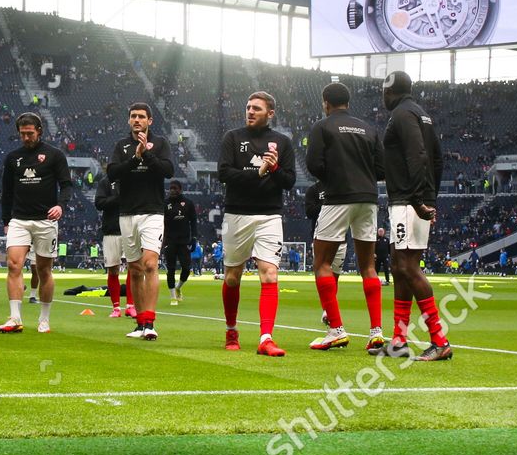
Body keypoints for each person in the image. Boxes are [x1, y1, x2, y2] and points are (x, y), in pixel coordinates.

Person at [305, 82, 386, 352]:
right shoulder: (369, 129)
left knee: (322, 263)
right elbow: (381, 169)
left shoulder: (322, 126)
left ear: (325, 102)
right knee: (368, 267)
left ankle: (336, 330)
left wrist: (337, 175)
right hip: (368, 199)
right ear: (348, 102)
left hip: (338, 197)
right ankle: (376, 332)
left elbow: (314, 165)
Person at [375, 71, 449, 361]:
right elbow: (437, 159)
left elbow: (418, 155)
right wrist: (431, 196)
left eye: (383, 91)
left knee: (407, 266)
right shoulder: (421, 114)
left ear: (389, 91)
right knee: (398, 266)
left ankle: (439, 340)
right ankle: (399, 340)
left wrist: (419, 199)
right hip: (413, 198)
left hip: (408, 200)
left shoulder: (403, 114)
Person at [217, 91, 297, 356]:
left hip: (269, 215)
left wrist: (272, 170)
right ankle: (231, 330)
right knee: (231, 278)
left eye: (257, 109)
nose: (250, 112)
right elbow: (224, 174)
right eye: (248, 107)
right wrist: (259, 174)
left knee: (270, 274)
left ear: (270, 113)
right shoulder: (233, 137)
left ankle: (266, 338)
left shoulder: (282, 143)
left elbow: (289, 181)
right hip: (236, 214)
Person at [0, 113, 72, 334]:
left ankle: (44, 318)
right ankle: (14, 317)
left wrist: (61, 205)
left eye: (30, 133)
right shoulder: (13, 158)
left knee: (43, 270)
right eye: (22, 134)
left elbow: (66, 184)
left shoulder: (54, 155)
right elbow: (7, 192)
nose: (26, 138)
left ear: (40, 130)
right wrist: (6, 220)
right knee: (13, 265)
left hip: (46, 221)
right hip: (19, 220)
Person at [108, 103, 175, 341]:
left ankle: (150, 321)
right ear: (129, 120)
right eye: (133, 116)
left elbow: (168, 170)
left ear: (150, 121)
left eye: (141, 117)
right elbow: (112, 173)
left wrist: (146, 153)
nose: (137, 120)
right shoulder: (121, 146)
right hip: (127, 213)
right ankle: (139, 324)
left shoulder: (160, 143)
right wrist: (135, 159)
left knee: (150, 264)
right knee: (135, 269)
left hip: (152, 212)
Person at [94, 172, 128, 317]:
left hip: (129, 230)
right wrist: (118, 199)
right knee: (113, 269)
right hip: (111, 231)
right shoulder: (105, 182)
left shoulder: (131, 179)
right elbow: (99, 203)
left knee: (134, 268)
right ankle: (116, 308)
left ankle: (131, 306)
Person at [164, 180, 198, 306]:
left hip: (184, 241)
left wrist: (194, 238)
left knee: (186, 268)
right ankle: (173, 297)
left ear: (180, 189)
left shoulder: (188, 203)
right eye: (171, 188)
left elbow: (193, 221)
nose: (172, 190)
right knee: (171, 269)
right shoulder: (165, 203)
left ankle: (178, 287)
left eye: (175, 188)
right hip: (169, 240)